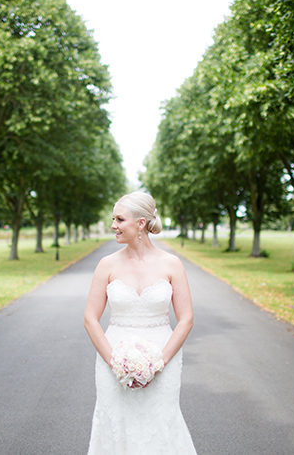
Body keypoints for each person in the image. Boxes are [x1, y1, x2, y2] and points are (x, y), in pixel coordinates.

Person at [84, 191, 197, 454]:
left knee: (160, 423)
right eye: (114, 219)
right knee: (115, 424)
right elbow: (90, 318)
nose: (113, 225)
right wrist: (115, 362)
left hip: (163, 360)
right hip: (112, 360)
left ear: (141, 223)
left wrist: (159, 362)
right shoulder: (106, 264)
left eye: (120, 219)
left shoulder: (172, 264)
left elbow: (186, 319)